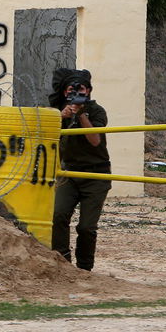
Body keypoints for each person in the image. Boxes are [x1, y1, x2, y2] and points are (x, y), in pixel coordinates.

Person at [49, 68, 110, 271]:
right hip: (70, 173)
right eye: (72, 90)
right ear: (65, 93)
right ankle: (62, 261)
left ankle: (85, 268)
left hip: (96, 175)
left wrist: (82, 114)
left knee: (86, 227)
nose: (76, 92)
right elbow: (45, 136)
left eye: (81, 89)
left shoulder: (97, 111)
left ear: (89, 90)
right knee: (58, 215)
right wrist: (60, 116)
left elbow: (95, 140)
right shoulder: (58, 111)